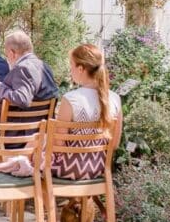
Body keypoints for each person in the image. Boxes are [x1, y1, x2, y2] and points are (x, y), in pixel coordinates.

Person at [50, 44, 122, 181]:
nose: (70, 69)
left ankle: (39, 201)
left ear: (81, 69)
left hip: (69, 168)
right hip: (98, 168)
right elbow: (115, 143)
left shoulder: (71, 99)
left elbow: (59, 146)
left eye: (71, 65)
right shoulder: (114, 98)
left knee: (31, 156)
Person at [0, 30, 60, 110]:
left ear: (12, 53)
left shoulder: (22, 68)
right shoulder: (45, 66)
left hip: (21, 121)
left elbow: (22, 99)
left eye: (6, 55)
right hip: (43, 120)